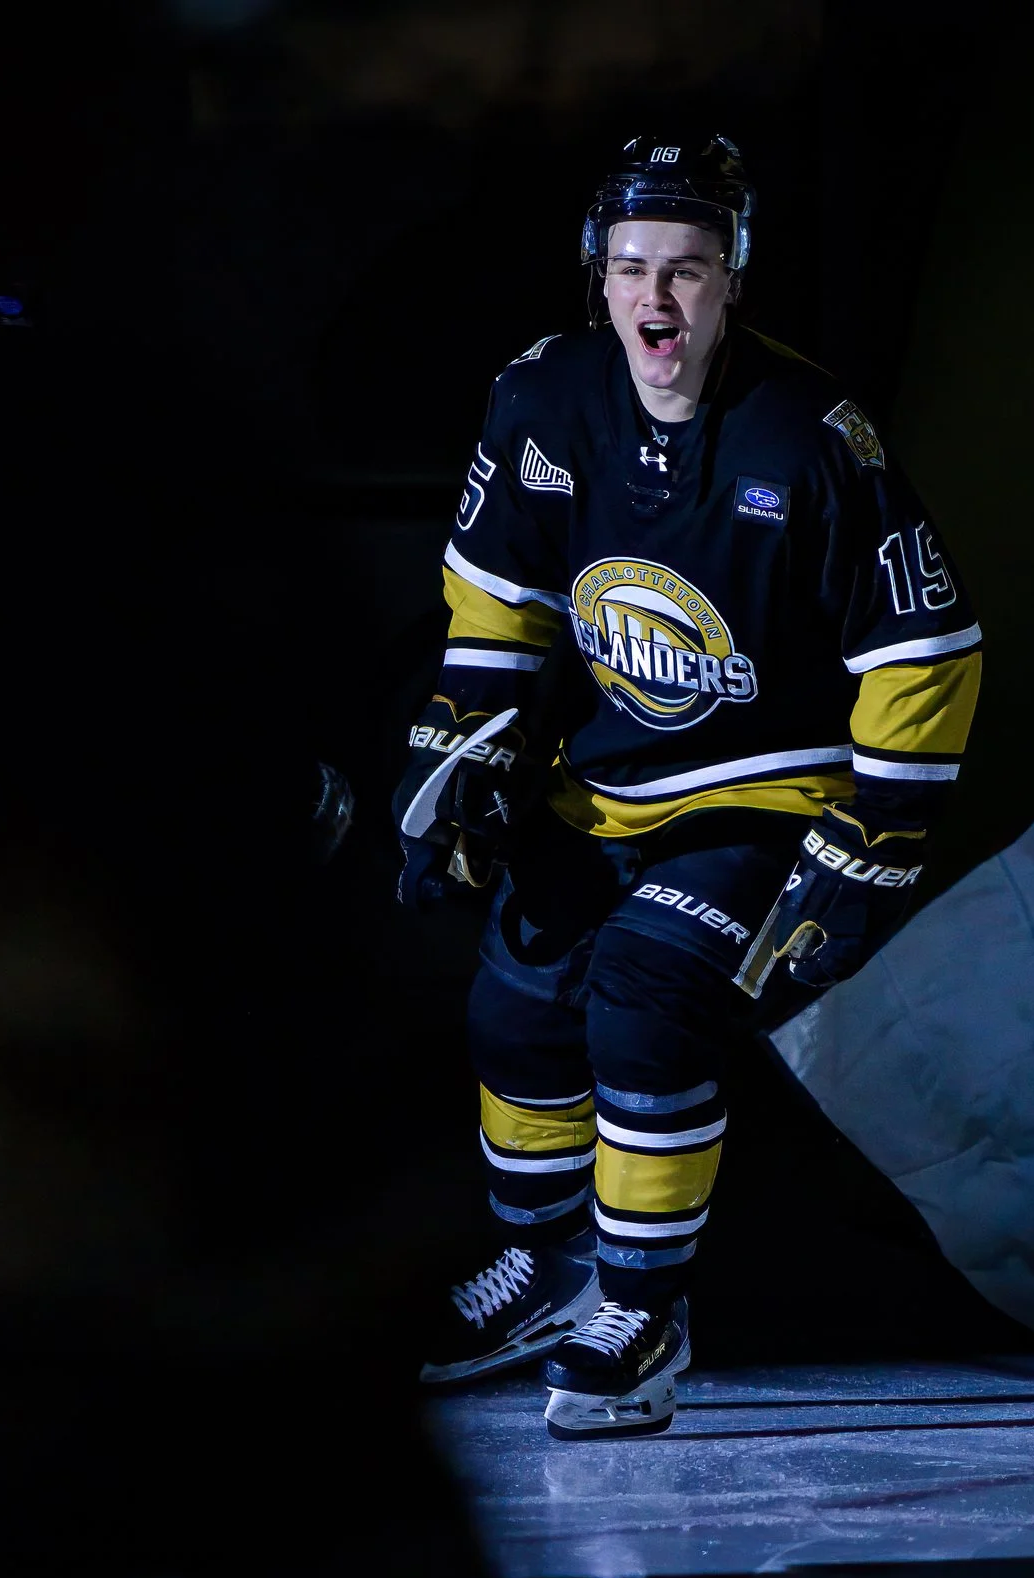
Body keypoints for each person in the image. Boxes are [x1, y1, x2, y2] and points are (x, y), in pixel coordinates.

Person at [397, 135, 983, 1438]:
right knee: (514, 998)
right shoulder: (542, 401)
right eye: (632, 269)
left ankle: (640, 1309)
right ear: (598, 280)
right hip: (601, 790)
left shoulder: (812, 434)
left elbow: (926, 649)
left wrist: (871, 841)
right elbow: (498, 604)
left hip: (763, 796)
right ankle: (549, 1272)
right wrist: (464, 750)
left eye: (688, 270)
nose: (658, 301)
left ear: (733, 283)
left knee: (645, 994)